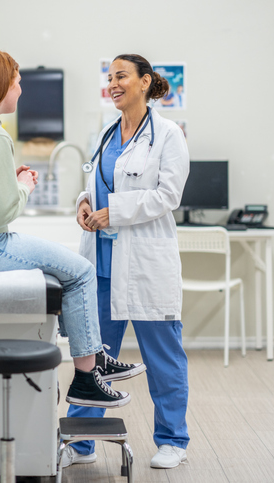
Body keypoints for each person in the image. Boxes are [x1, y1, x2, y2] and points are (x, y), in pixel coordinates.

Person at [0, 48, 146, 409]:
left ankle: (93, 356)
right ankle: (88, 377)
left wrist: (7, 181)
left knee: (73, 273)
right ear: (0, 85)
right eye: (17, 82)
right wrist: (23, 187)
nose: (21, 91)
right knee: (81, 273)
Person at [63, 54, 191, 470]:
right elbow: (94, 184)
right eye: (109, 77)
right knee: (92, 359)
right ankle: (81, 443)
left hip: (145, 265)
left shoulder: (168, 134)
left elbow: (167, 196)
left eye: (121, 76)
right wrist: (84, 204)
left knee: (163, 357)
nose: (113, 84)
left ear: (144, 82)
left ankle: (172, 440)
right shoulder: (106, 133)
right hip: (101, 265)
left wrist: (113, 213)